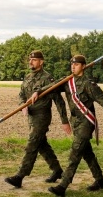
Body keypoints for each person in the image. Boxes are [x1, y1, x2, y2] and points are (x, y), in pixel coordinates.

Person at [32, 55, 103, 197]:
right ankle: (100, 180)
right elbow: (52, 87)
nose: (73, 66)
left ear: (83, 66)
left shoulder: (88, 84)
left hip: (86, 121)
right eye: (72, 64)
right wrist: (38, 91)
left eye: (77, 64)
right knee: (87, 153)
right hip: (75, 122)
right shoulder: (68, 81)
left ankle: (63, 186)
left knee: (75, 153)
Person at [5, 50, 71, 188]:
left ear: (41, 62)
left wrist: (64, 121)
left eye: (34, 60)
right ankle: (57, 170)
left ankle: (20, 176)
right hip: (31, 116)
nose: (31, 62)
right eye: (30, 59)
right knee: (41, 144)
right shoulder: (28, 77)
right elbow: (21, 94)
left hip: (42, 116)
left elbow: (59, 101)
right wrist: (22, 105)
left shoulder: (48, 78)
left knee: (32, 143)